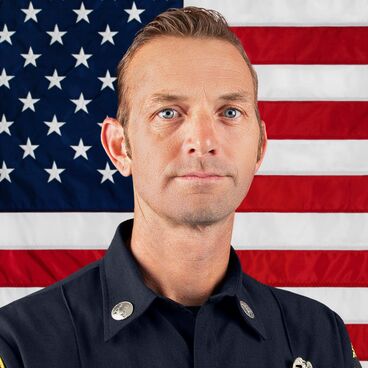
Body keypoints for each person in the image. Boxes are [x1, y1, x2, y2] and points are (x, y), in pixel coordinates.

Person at [0, 6, 362, 368]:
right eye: (169, 112)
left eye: (230, 112)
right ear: (118, 147)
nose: (203, 140)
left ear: (260, 148)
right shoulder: (23, 345)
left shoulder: (318, 338)